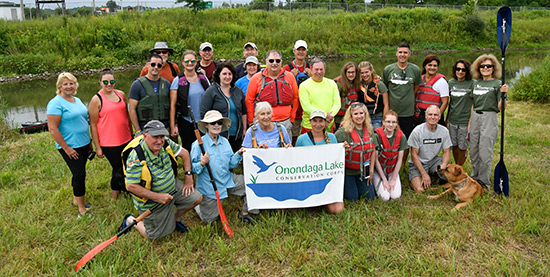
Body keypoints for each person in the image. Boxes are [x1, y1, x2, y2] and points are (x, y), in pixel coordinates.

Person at [122, 120, 202, 240]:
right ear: (145, 135)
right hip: (152, 200)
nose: (159, 141)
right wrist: (157, 197)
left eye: (162, 136)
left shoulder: (166, 143)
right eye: (155, 137)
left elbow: (184, 153)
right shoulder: (136, 157)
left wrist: (188, 176)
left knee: (197, 198)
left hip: (173, 188)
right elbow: (131, 186)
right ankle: (130, 220)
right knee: (155, 236)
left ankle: (176, 218)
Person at [191, 110, 255, 224]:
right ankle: (198, 206)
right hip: (210, 186)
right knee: (210, 221)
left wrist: (238, 154)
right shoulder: (197, 145)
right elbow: (193, 170)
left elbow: (231, 164)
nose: (216, 125)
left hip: (227, 179)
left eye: (219, 122)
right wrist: (201, 163)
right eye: (213, 122)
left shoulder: (225, 141)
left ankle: (246, 212)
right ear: (206, 125)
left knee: (252, 185)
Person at [47, 72, 92, 218]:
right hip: (70, 146)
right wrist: (66, 148)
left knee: (77, 172)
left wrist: (90, 141)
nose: (68, 86)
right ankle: (81, 209)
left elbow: (82, 120)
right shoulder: (55, 103)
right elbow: (52, 128)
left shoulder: (76, 100)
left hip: (84, 143)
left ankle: (75, 199)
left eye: (71, 83)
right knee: (80, 175)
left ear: (75, 85)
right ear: (59, 86)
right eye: (65, 84)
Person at [89, 68, 133, 200]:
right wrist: (97, 147)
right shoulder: (96, 100)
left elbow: (126, 116)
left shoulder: (121, 94)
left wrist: (131, 133)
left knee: (128, 166)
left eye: (112, 81)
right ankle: (115, 196)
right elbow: (93, 124)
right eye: (105, 82)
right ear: (100, 82)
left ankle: (127, 189)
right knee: (117, 168)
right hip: (109, 142)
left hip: (126, 138)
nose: (109, 84)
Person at [468, 54, 508, 188]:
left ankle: (484, 182)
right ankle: (475, 177)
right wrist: (469, 125)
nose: (485, 68)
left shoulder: (497, 84)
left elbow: (501, 108)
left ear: (493, 68)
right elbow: (473, 105)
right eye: (482, 66)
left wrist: (503, 95)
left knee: (485, 151)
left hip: (489, 117)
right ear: (478, 68)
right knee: (473, 150)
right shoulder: (475, 83)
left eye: (488, 66)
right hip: (475, 117)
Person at [295, 109, 344, 214]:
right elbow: (296, 160)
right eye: (315, 121)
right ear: (310, 122)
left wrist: (344, 150)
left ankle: (324, 198)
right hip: (309, 178)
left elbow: (336, 158)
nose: (318, 124)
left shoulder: (331, 137)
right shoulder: (302, 139)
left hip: (326, 179)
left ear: (325, 122)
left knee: (338, 210)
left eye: (321, 121)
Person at [382, 42, 422, 163]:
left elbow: (416, 88)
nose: (402, 55)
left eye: (405, 52)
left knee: (405, 142)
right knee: (390, 140)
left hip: (408, 113)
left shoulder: (415, 70)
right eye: (400, 52)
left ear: (409, 54)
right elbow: (385, 89)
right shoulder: (388, 69)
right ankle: (389, 164)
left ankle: (402, 165)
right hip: (392, 113)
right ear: (396, 53)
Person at [246, 50, 299, 137]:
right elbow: (249, 101)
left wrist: (292, 119)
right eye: (271, 61)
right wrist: (252, 122)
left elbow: (295, 98)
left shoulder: (289, 77)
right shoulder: (256, 78)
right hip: (263, 123)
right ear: (266, 61)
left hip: (285, 123)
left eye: (277, 61)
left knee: (285, 149)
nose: (274, 63)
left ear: (281, 62)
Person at [335, 103, 378, 201]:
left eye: (361, 113)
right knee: (352, 198)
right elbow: (333, 150)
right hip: (348, 171)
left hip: (363, 170)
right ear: (350, 116)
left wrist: (371, 169)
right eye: (356, 114)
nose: (359, 116)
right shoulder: (342, 132)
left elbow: (373, 150)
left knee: (369, 197)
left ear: (365, 114)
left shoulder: (370, 130)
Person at [200, 62, 247, 152]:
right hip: (218, 133)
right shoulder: (211, 91)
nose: (227, 76)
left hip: (236, 134)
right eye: (224, 74)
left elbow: (243, 112)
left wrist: (244, 129)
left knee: (234, 160)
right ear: (219, 75)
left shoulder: (238, 91)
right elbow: (204, 113)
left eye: (230, 74)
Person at [169, 50, 210, 153]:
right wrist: (173, 125)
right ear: (183, 62)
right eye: (187, 60)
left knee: (204, 149)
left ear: (196, 62)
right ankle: (189, 169)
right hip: (186, 121)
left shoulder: (203, 78)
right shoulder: (177, 80)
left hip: (203, 122)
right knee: (188, 148)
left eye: (192, 60)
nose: (190, 63)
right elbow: (172, 105)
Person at [408, 105, 451, 193]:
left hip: (434, 161)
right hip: (418, 163)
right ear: (426, 116)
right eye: (430, 114)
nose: (433, 117)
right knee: (420, 190)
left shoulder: (444, 131)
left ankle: (433, 176)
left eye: (435, 115)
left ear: (439, 117)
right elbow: (414, 155)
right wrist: (423, 174)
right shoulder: (417, 131)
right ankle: (417, 178)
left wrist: (443, 166)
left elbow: (446, 152)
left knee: (450, 180)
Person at [129, 54, 172, 133]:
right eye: (153, 64)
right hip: (146, 129)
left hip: (164, 128)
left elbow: (173, 106)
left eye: (159, 65)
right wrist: (138, 130)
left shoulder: (167, 84)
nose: (156, 67)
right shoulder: (137, 85)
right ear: (147, 65)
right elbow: (132, 110)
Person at [372, 110, 407, 201]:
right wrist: (384, 179)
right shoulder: (377, 136)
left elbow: (400, 159)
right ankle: (377, 182)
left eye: (393, 122)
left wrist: (394, 179)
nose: (391, 125)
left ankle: (392, 180)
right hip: (379, 169)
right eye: (388, 122)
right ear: (383, 122)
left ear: (396, 123)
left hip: (392, 169)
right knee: (385, 197)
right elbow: (375, 160)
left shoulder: (401, 136)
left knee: (395, 196)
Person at [299, 58, 341, 133]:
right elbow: (306, 107)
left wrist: (329, 117)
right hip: (310, 126)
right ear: (311, 70)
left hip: (328, 124)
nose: (319, 72)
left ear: (325, 69)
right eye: (316, 69)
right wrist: (324, 115)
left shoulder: (332, 83)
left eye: (321, 69)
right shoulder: (304, 86)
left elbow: (337, 103)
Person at [446, 59, 474, 166]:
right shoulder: (451, 83)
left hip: (465, 121)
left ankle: (459, 167)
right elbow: (450, 102)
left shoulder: (472, 84)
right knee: (454, 145)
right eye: (458, 69)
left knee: (463, 146)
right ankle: (457, 166)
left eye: (463, 69)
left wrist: (470, 123)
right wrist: (447, 119)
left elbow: (474, 104)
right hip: (453, 120)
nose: (460, 71)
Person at [283, 39, 311, 143]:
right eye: (298, 49)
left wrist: (313, 77)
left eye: (303, 50)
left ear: (306, 52)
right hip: (293, 109)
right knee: (293, 135)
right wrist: (290, 76)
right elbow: (280, 88)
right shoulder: (286, 68)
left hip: (307, 108)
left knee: (307, 135)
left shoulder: (311, 68)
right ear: (294, 51)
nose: (301, 52)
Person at [415, 54, 449, 125]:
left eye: (435, 66)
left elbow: (445, 103)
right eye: (430, 65)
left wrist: (437, 117)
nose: (432, 68)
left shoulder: (441, 82)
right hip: (419, 115)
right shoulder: (419, 79)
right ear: (425, 66)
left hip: (434, 116)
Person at [359, 61, 389, 129]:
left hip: (377, 117)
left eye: (366, 72)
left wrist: (384, 120)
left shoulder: (379, 84)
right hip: (363, 118)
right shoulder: (359, 84)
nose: (364, 75)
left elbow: (386, 104)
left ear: (371, 71)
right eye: (362, 73)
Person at [334, 61, 362, 128]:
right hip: (339, 119)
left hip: (352, 117)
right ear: (345, 73)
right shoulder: (339, 84)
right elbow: (332, 102)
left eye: (353, 72)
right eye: (349, 72)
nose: (351, 74)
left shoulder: (357, 83)